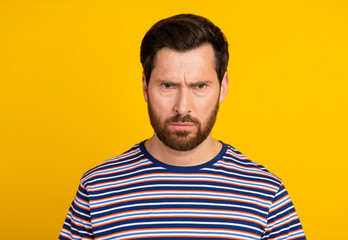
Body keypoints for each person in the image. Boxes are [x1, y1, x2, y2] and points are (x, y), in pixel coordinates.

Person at [59, 14, 306, 240]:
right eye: (168, 85)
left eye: (199, 86)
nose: (183, 107)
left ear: (223, 87)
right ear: (145, 87)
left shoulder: (266, 193)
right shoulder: (97, 188)